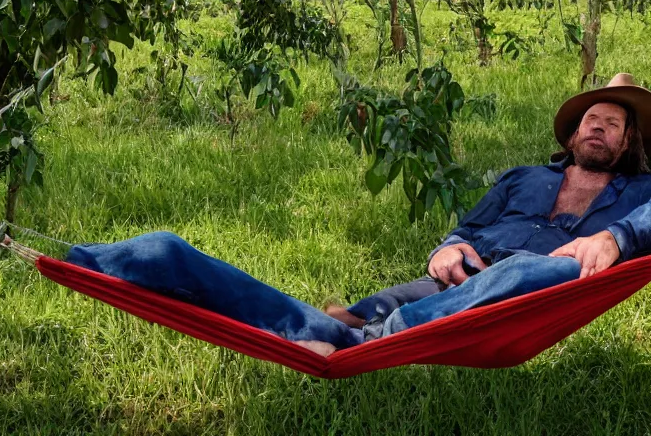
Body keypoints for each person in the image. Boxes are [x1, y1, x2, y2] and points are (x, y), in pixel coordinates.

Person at [64, 73, 651, 356]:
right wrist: (445, 246)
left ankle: (367, 336)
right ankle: (104, 263)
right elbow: (469, 228)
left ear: (626, 143)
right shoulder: (524, 177)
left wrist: (619, 237)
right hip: (453, 282)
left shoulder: (639, 193)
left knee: (537, 268)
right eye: (591, 120)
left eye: (613, 124)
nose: (598, 128)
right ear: (574, 133)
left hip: (535, 287)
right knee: (166, 249)